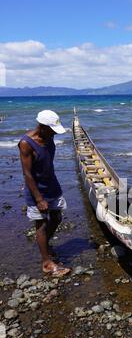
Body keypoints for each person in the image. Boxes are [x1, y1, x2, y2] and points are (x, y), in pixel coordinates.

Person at [19, 110, 71, 276]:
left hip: (52, 184)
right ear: (41, 127)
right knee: (41, 224)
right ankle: (47, 262)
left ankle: (45, 246)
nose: (55, 133)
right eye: (52, 129)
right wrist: (39, 199)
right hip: (36, 189)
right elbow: (27, 173)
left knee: (56, 217)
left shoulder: (49, 137)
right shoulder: (26, 143)